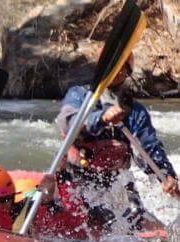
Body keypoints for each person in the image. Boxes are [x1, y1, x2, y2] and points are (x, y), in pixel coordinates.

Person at [56, 52, 176, 232]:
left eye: (121, 68)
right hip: (77, 178)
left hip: (117, 181)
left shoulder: (135, 111)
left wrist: (166, 175)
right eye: (111, 65)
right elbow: (67, 123)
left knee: (147, 224)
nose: (115, 71)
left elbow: (149, 147)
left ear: (127, 73)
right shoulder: (79, 95)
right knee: (95, 224)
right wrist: (101, 118)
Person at [0, 166, 91, 239]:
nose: (2, 206)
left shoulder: (26, 210)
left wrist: (47, 203)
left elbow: (77, 227)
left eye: (6, 199)